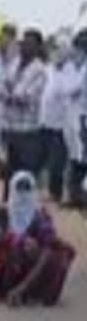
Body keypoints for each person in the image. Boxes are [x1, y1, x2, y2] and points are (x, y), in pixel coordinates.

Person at [0, 171, 74, 307]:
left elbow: (49, 236)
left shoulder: (40, 213)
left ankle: (23, 291)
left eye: (27, 188)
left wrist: (36, 242)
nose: (23, 192)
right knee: (16, 251)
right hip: (12, 257)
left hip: (36, 254)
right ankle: (16, 290)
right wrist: (20, 239)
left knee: (55, 254)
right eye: (20, 188)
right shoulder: (5, 212)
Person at [0, 29, 47, 178]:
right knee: (7, 173)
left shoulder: (40, 70)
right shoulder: (13, 64)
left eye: (30, 44)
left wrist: (10, 95)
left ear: (38, 47)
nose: (26, 47)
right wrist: (11, 95)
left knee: (26, 176)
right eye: (24, 43)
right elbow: (0, 88)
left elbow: (27, 98)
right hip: (8, 128)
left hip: (28, 132)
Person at [40, 36, 81, 203]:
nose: (56, 53)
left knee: (58, 160)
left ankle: (58, 193)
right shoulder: (48, 69)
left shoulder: (71, 71)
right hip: (45, 121)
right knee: (48, 159)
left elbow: (70, 90)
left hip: (62, 123)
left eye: (59, 49)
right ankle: (50, 190)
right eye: (54, 49)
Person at [65, 29, 87, 207]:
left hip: (83, 117)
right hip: (79, 117)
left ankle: (77, 196)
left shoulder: (83, 69)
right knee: (77, 156)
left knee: (80, 157)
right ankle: (75, 196)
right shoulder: (79, 68)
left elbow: (72, 90)